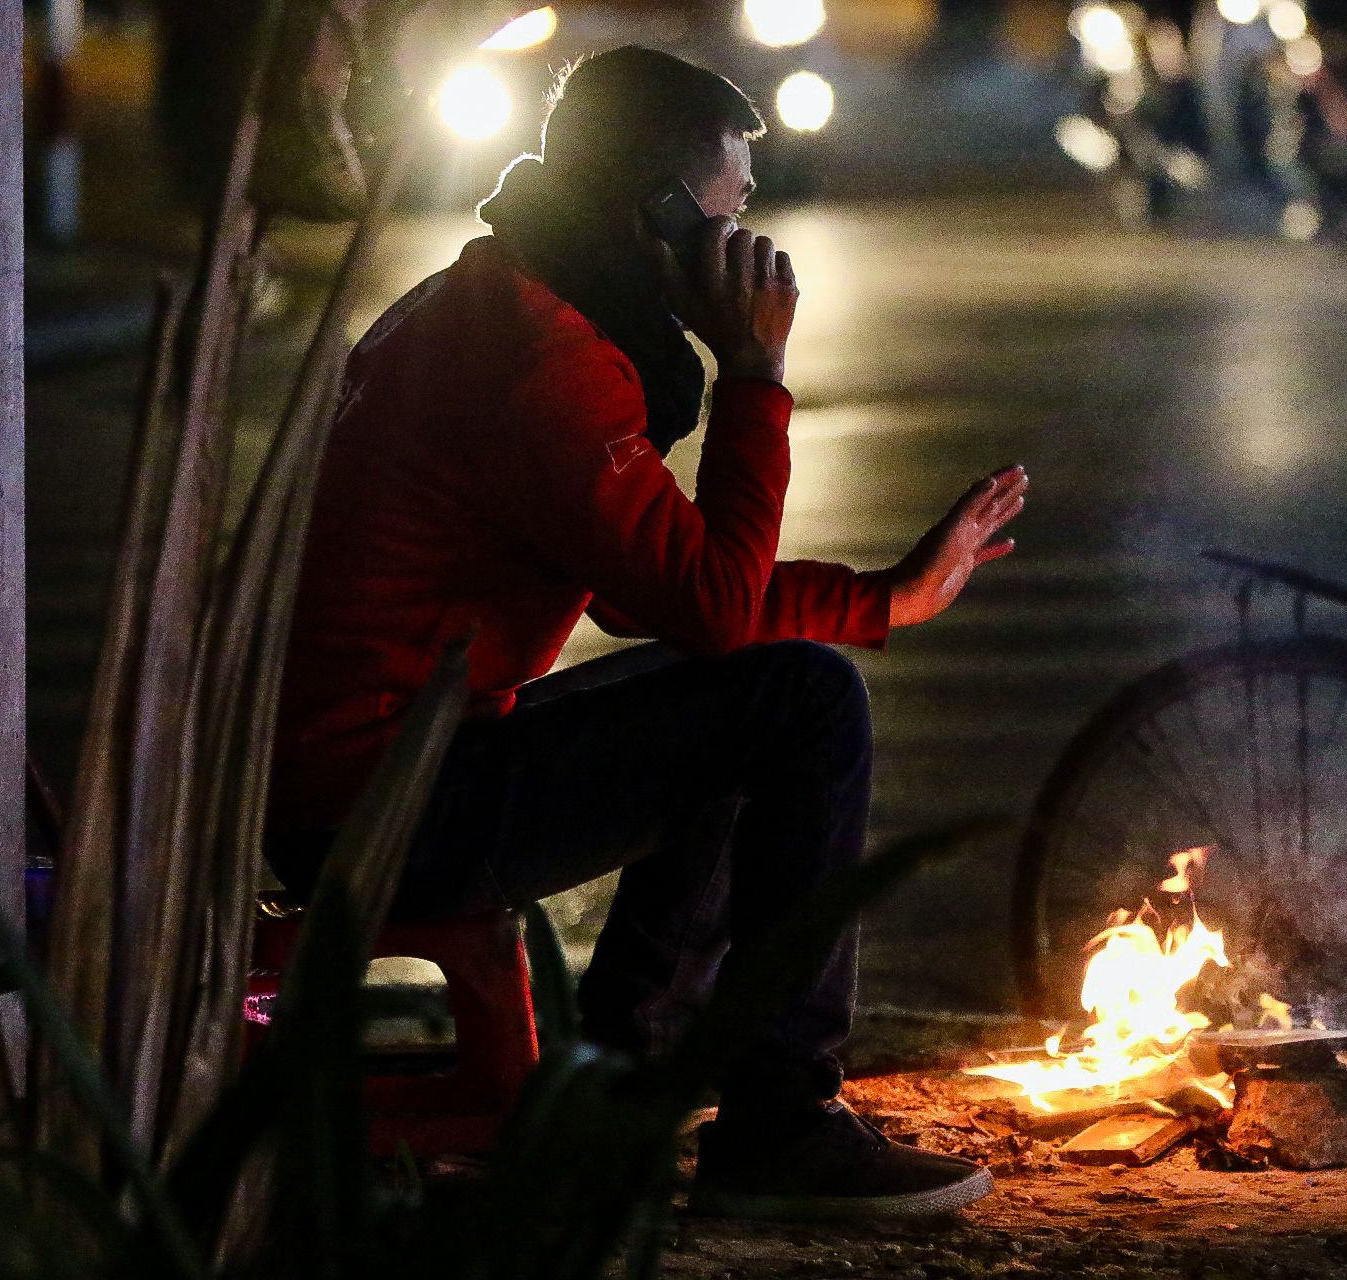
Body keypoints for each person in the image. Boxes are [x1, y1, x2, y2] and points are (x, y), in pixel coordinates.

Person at [264, 46, 1028, 1220]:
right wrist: (755, 369)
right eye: (726, 222)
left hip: (397, 761)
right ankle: (779, 1123)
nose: (746, 255)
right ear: (651, 219)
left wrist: (882, 599)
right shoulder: (540, 361)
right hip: (384, 805)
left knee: (748, 688)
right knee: (802, 704)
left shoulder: (506, 294)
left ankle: (616, 1079)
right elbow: (706, 600)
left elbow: (656, 590)